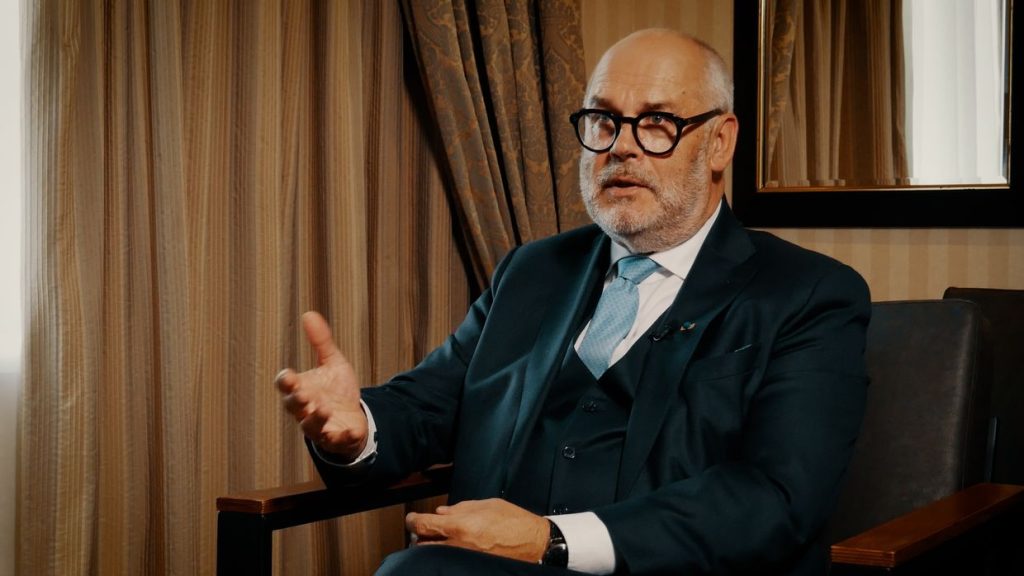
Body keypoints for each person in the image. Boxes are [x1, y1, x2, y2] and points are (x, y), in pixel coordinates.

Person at [277, 28, 870, 575]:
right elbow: (432, 402)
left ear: (720, 142)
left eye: (657, 122)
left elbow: (775, 496)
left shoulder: (809, 293)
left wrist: (550, 539)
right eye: (603, 121)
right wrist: (359, 428)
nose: (621, 147)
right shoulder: (533, 271)